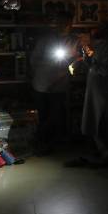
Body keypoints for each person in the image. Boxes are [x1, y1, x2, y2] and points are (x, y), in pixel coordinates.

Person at [65, 20, 108, 167]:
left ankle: (107, 153)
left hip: (104, 90)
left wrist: (91, 62)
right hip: (95, 89)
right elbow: (95, 66)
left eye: (101, 28)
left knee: (102, 121)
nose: (96, 31)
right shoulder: (101, 46)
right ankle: (102, 152)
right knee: (95, 121)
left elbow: (106, 71)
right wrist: (87, 59)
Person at [30, 11, 79, 155]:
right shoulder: (45, 40)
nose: (63, 26)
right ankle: (41, 143)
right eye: (61, 22)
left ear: (70, 24)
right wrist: (45, 66)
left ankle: (49, 144)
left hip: (59, 85)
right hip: (41, 83)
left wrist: (72, 65)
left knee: (55, 115)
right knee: (42, 115)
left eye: (66, 23)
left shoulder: (74, 41)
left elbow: (76, 60)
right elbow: (34, 59)